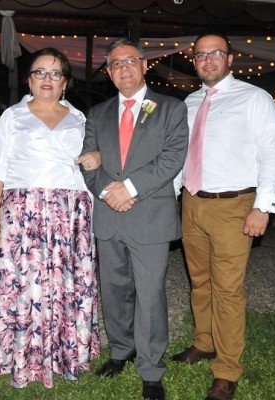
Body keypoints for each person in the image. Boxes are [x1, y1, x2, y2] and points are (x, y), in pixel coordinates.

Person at [0, 47, 101, 389]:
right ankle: (15, 353)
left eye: (55, 74)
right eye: (40, 72)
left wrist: (96, 157)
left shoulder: (80, 118)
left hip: (69, 214)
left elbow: (90, 160)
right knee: (21, 284)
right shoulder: (13, 117)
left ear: (65, 83)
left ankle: (64, 351)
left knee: (63, 284)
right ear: (29, 79)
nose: (47, 79)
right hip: (22, 211)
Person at [171, 32, 275, 400]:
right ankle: (203, 342)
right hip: (192, 202)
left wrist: (263, 206)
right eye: (201, 55)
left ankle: (226, 369)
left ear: (230, 59)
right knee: (199, 282)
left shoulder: (254, 98)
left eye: (215, 54)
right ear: (194, 61)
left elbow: (272, 154)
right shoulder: (189, 102)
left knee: (228, 290)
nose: (207, 61)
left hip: (235, 205)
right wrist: (172, 195)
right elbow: (182, 157)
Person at [81, 38, 189, 400]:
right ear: (109, 73)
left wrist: (128, 188)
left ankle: (151, 368)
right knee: (113, 291)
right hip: (109, 216)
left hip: (150, 216)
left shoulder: (171, 108)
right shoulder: (96, 114)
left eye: (130, 61)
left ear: (144, 66)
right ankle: (121, 350)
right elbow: (87, 161)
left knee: (149, 293)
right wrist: (106, 192)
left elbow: (173, 157)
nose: (123, 68)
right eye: (115, 63)